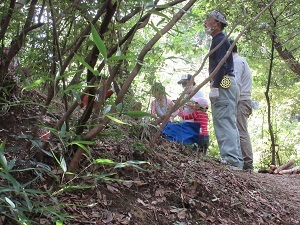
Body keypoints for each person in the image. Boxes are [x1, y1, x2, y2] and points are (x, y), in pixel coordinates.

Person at [204, 10, 244, 170]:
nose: (206, 23)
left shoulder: (220, 40)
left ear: (217, 24)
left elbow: (222, 65)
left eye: (209, 20)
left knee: (223, 119)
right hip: (227, 83)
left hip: (224, 84)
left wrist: (214, 86)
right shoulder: (220, 40)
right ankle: (234, 159)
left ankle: (231, 161)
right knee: (228, 120)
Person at [230, 40, 253, 170]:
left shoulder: (237, 62)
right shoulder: (238, 61)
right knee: (238, 130)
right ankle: (242, 160)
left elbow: (236, 84)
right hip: (242, 100)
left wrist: (232, 102)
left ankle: (247, 163)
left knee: (241, 131)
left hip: (241, 101)